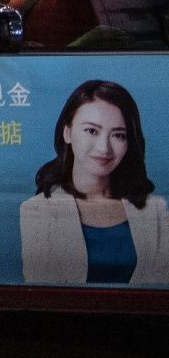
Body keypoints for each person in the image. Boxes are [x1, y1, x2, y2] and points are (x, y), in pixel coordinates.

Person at [20, 80, 169, 285]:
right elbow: (45, 293)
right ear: (67, 132)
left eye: (118, 135)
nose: (104, 148)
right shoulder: (38, 211)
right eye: (91, 131)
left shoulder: (156, 210)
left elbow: (161, 286)